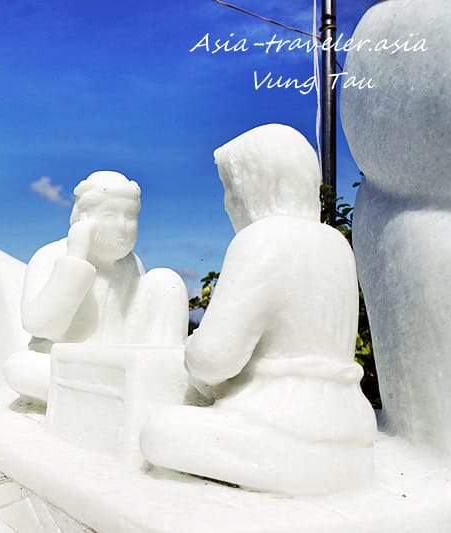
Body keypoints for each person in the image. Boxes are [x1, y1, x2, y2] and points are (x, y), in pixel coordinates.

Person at [139, 124, 376, 495]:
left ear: (253, 186)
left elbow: (212, 359)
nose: (226, 204)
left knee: (158, 430)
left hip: (283, 424)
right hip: (352, 429)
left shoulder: (261, 239)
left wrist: (195, 349)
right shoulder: (337, 245)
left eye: (229, 190)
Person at [3, 171, 188, 403]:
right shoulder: (51, 255)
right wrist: (75, 260)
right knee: (19, 367)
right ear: (84, 218)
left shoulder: (132, 264)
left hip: (118, 366)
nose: (123, 226)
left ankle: (161, 379)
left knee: (166, 280)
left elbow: (139, 321)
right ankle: (102, 395)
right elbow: (41, 326)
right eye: (110, 215)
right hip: (65, 364)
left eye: (130, 216)